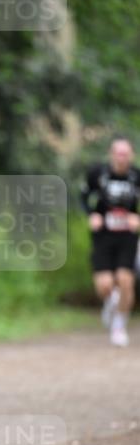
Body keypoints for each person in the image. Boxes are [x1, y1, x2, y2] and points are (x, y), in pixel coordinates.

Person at [81, 137, 139, 347]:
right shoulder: (98, 174)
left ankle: (119, 326)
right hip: (103, 235)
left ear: (131, 155)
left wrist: (137, 218)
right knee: (105, 285)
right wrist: (91, 215)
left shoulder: (136, 176)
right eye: (118, 153)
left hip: (127, 236)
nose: (122, 157)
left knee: (126, 280)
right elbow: (83, 195)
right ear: (111, 154)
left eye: (125, 153)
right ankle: (111, 304)